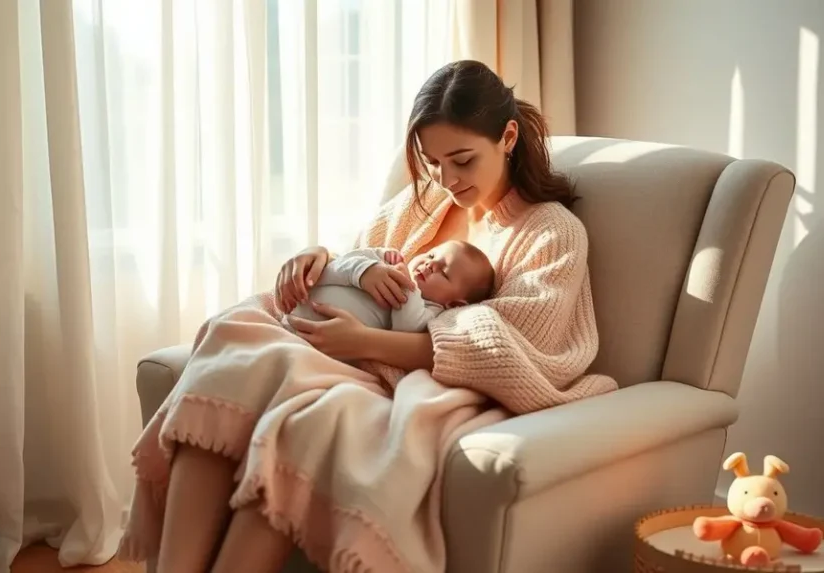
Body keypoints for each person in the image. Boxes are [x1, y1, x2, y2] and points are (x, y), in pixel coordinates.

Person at [120, 59, 616, 573]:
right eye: (433, 162)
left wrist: (364, 344)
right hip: (348, 348)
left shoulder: (552, 233)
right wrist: (319, 259)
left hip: (418, 378)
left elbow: (508, 349)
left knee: (305, 423)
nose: (447, 179)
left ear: (508, 136)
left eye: (463, 160)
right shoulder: (421, 205)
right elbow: (363, 261)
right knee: (233, 339)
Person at [283, 240, 496, 334]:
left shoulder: (430, 313)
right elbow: (335, 266)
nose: (430, 265)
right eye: (431, 255)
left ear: (455, 303)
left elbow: (406, 329)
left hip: (316, 345)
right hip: (290, 312)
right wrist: (367, 268)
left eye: (444, 272)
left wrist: (408, 289)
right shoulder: (390, 260)